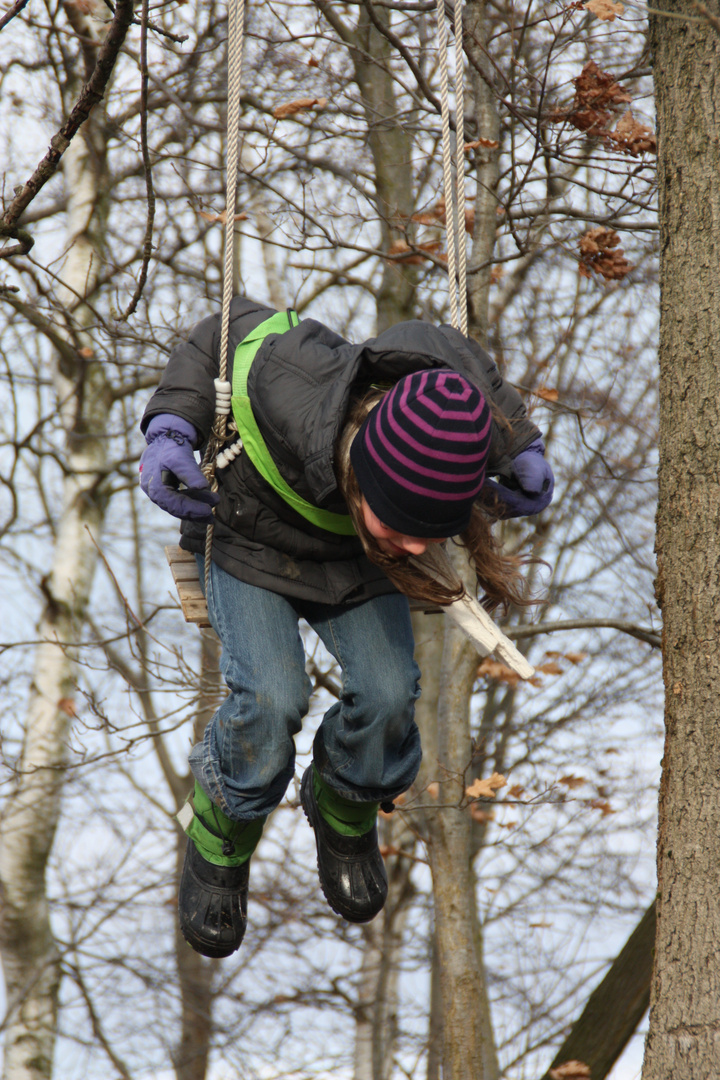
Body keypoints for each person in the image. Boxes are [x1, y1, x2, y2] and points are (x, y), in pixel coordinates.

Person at [139, 297, 553, 959]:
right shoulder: (286, 381)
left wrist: (524, 443)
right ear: (363, 480)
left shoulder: (452, 409)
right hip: (253, 545)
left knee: (391, 695)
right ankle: (221, 833)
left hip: (352, 560)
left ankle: (341, 806)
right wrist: (168, 427)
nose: (419, 549)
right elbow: (220, 332)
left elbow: (459, 355)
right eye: (403, 527)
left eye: (430, 535)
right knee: (273, 702)